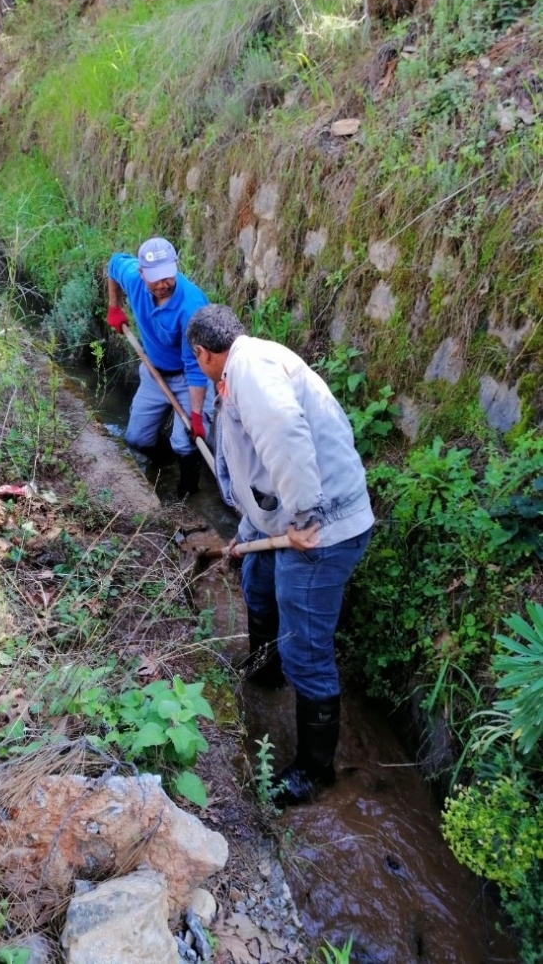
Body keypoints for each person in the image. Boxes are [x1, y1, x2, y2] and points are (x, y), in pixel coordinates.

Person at [186, 304, 374, 804]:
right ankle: (265, 672)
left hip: (318, 532)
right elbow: (257, 466)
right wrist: (249, 524)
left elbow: (287, 441)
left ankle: (314, 770)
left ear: (203, 354)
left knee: (305, 649)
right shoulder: (243, 367)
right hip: (281, 518)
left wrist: (306, 517)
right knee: (257, 586)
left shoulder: (250, 372)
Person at [107, 237, 214, 497]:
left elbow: (196, 365)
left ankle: (188, 491)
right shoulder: (132, 277)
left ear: (175, 267)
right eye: (155, 278)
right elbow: (113, 265)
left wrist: (197, 416)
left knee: (185, 441)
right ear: (142, 273)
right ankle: (165, 464)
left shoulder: (192, 306)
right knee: (136, 439)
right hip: (154, 373)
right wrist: (115, 307)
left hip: (190, 379)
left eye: (168, 276)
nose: (163, 284)